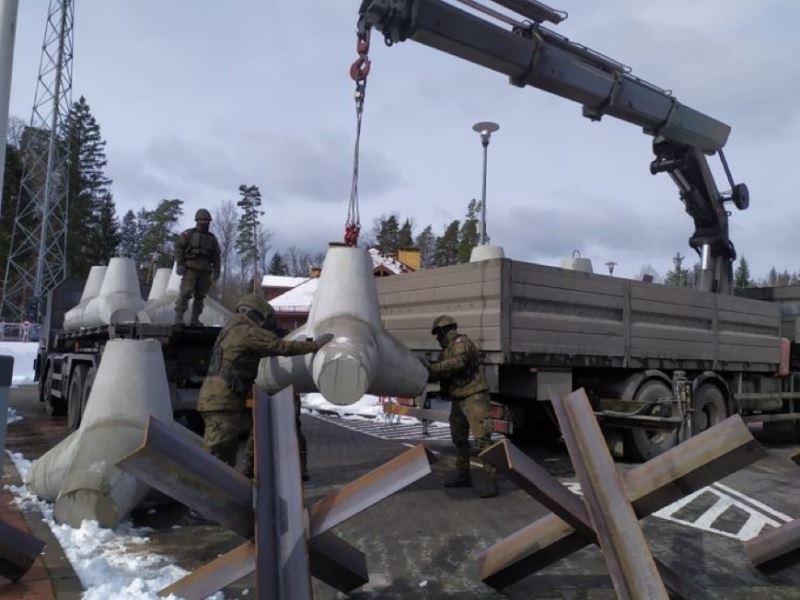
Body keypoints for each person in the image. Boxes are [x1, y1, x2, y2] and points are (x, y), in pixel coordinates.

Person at [197, 292, 333, 478]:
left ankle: (219, 491)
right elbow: (281, 347)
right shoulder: (247, 331)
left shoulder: (230, 329)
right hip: (223, 400)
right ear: (255, 315)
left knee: (222, 449)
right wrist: (314, 345)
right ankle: (207, 497)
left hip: (217, 397)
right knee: (219, 452)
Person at [423, 315, 498, 498]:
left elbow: (459, 363)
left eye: (437, 333)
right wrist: (425, 369)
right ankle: (464, 475)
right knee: (460, 439)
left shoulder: (461, 342)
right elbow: (441, 373)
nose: (437, 338)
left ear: (444, 330)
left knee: (483, 440)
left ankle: (491, 481)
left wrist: (435, 368)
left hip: (474, 396)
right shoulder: (446, 351)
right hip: (459, 398)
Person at [174, 208, 221, 325]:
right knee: (186, 292)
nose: (205, 222)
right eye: (203, 220)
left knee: (200, 296)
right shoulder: (189, 234)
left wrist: (217, 271)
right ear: (197, 221)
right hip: (190, 268)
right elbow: (179, 248)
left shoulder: (212, 238)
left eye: (207, 220)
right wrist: (180, 264)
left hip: (205, 270)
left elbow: (216, 256)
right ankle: (179, 316)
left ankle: (195, 319)